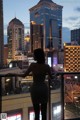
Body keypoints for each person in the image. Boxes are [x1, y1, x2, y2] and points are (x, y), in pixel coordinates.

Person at [8, 48, 52, 120]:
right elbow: (52, 77)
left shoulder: (32, 65)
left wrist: (13, 73)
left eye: (34, 55)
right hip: (44, 89)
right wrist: (56, 74)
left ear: (37, 56)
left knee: (36, 112)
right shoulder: (46, 66)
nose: (33, 56)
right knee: (44, 112)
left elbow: (24, 75)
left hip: (35, 89)